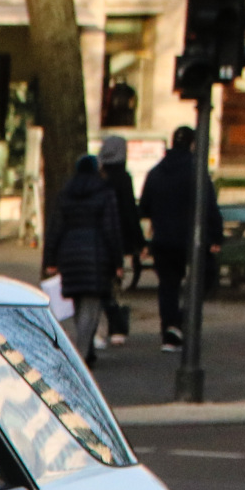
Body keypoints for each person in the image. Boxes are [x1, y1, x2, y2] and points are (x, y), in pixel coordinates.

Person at [138, 126, 221, 352]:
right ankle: (182, 322)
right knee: (203, 278)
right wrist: (216, 236)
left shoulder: (155, 172)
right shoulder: (197, 172)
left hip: (163, 239)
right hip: (192, 240)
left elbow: (144, 207)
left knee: (168, 286)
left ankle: (169, 331)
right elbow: (209, 206)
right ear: (193, 144)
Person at [44, 154, 122, 360]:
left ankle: (83, 349)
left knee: (79, 304)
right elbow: (111, 229)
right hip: (96, 255)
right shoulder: (105, 193)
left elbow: (55, 228)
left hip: (69, 255)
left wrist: (50, 260)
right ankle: (82, 353)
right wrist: (118, 262)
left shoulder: (65, 194)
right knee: (92, 306)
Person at [99, 136, 142, 345]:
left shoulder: (99, 175)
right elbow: (129, 211)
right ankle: (116, 326)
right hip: (118, 238)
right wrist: (138, 242)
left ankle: (102, 328)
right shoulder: (123, 178)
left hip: (98, 239)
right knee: (113, 284)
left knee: (103, 282)